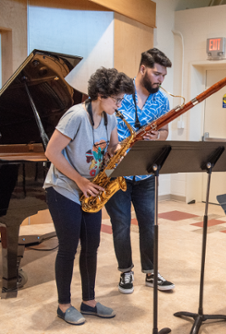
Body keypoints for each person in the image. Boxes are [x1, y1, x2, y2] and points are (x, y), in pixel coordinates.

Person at [44, 67, 134, 325]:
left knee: (91, 246)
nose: (120, 104)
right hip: (64, 188)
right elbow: (52, 152)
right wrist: (80, 180)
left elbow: (114, 146)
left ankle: (89, 301)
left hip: (92, 188)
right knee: (69, 247)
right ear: (101, 94)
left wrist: (120, 152)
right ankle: (63, 305)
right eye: (117, 99)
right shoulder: (75, 116)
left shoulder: (111, 118)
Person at [104, 48, 175, 294]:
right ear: (143, 68)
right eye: (157, 74)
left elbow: (166, 132)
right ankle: (126, 272)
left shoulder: (162, 100)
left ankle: (151, 272)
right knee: (121, 224)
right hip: (118, 173)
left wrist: (159, 135)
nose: (160, 80)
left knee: (149, 224)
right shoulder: (120, 91)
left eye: (164, 76)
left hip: (146, 173)